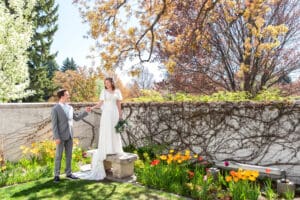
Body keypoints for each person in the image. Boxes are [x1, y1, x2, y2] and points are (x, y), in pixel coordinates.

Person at [81, 77, 124, 180]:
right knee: (106, 131)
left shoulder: (117, 91)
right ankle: (107, 149)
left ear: (112, 82)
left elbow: (119, 104)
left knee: (114, 131)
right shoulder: (103, 91)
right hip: (106, 114)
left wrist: (120, 115)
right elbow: (100, 103)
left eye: (108, 82)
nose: (107, 84)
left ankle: (114, 149)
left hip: (114, 113)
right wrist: (91, 108)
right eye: (105, 83)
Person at [51, 89, 91, 183]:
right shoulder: (55, 109)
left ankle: (68, 173)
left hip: (70, 135)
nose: (69, 96)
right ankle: (56, 175)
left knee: (69, 155)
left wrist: (85, 112)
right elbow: (54, 125)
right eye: (67, 95)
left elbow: (76, 118)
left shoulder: (70, 108)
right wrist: (56, 137)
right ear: (62, 96)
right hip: (60, 137)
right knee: (58, 156)